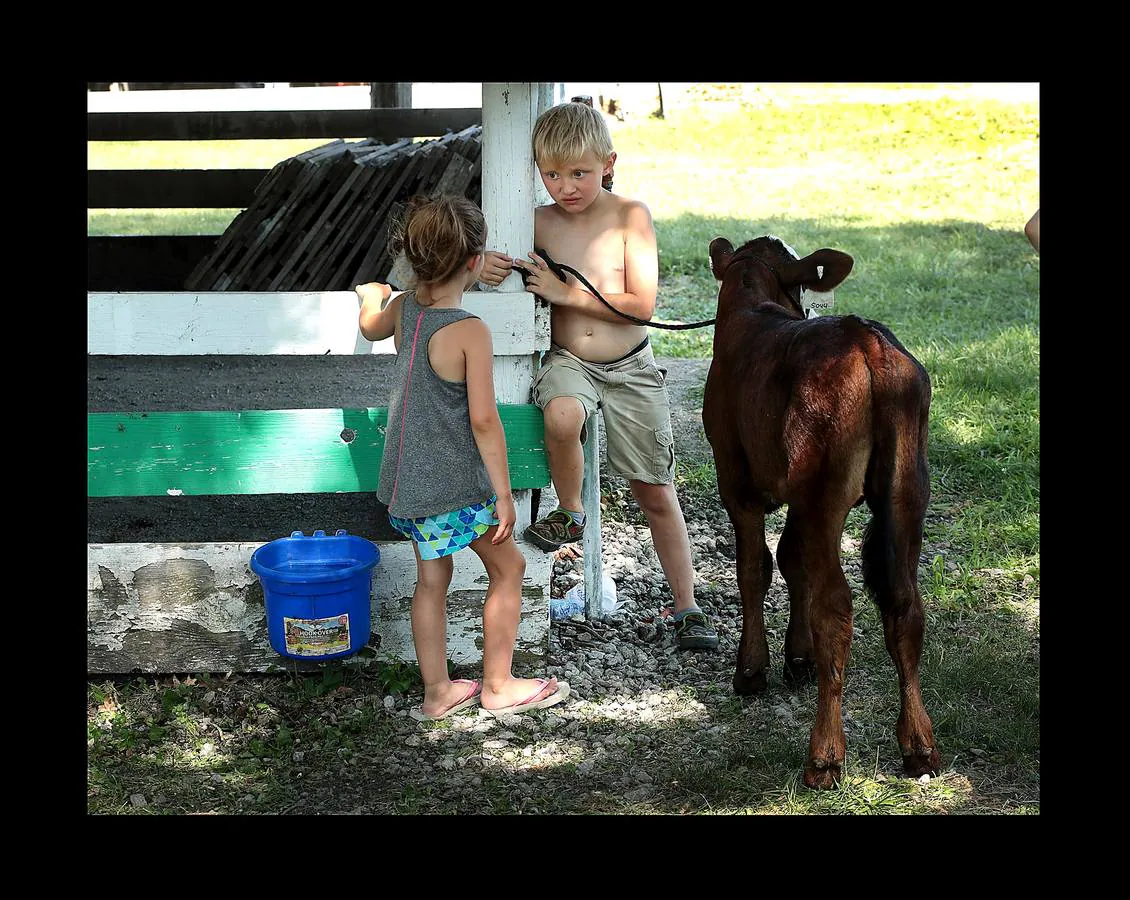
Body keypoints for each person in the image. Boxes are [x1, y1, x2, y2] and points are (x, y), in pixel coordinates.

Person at [478, 101, 719, 652]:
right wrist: (482, 263)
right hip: (569, 361)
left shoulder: (630, 217)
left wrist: (566, 293)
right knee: (562, 414)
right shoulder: (535, 223)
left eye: (579, 173)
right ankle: (572, 511)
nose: (566, 186)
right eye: (552, 174)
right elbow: (487, 253)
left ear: (607, 163)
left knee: (655, 490)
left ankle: (687, 606)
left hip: (631, 366)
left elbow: (641, 303)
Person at [356, 194, 569, 719]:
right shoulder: (469, 330)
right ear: (475, 262)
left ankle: (437, 693)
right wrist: (502, 494)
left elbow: (370, 326)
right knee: (510, 567)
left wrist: (370, 294)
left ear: (413, 257)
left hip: (408, 483)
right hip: (453, 486)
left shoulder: (403, 309)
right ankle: (498, 684)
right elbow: (483, 421)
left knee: (432, 581)